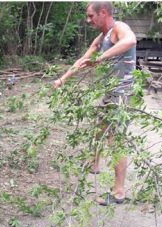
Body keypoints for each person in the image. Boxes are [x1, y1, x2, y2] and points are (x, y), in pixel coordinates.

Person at [53, 2, 137, 205]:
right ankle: (94, 163)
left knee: (116, 141)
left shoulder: (119, 28)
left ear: (104, 13)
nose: (88, 20)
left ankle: (118, 191)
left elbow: (131, 41)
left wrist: (101, 59)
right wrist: (63, 79)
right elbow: (83, 59)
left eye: (91, 16)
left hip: (121, 93)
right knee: (99, 128)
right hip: (108, 92)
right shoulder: (101, 38)